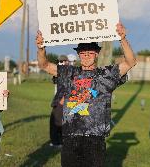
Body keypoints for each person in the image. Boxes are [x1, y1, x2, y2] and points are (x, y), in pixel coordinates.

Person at [36, 22, 136, 167]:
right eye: (83, 53)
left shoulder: (105, 75)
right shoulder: (69, 73)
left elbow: (130, 62)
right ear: (78, 54)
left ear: (96, 54)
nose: (86, 56)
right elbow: (44, 65)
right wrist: (41, 48)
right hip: (70, 137)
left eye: (90, 53)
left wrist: (122, 38)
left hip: (95, 138)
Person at [49, 55, 69, 147]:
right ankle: (55, 141)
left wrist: (63, 100)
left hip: (62, 100)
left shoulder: (70, 72)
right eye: (60, 61)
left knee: (59, 122)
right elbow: (55, 80)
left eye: (63, 61)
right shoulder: (60, 72)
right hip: (57, 100)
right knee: (54, 121)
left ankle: (58, 142)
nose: (62, 63)